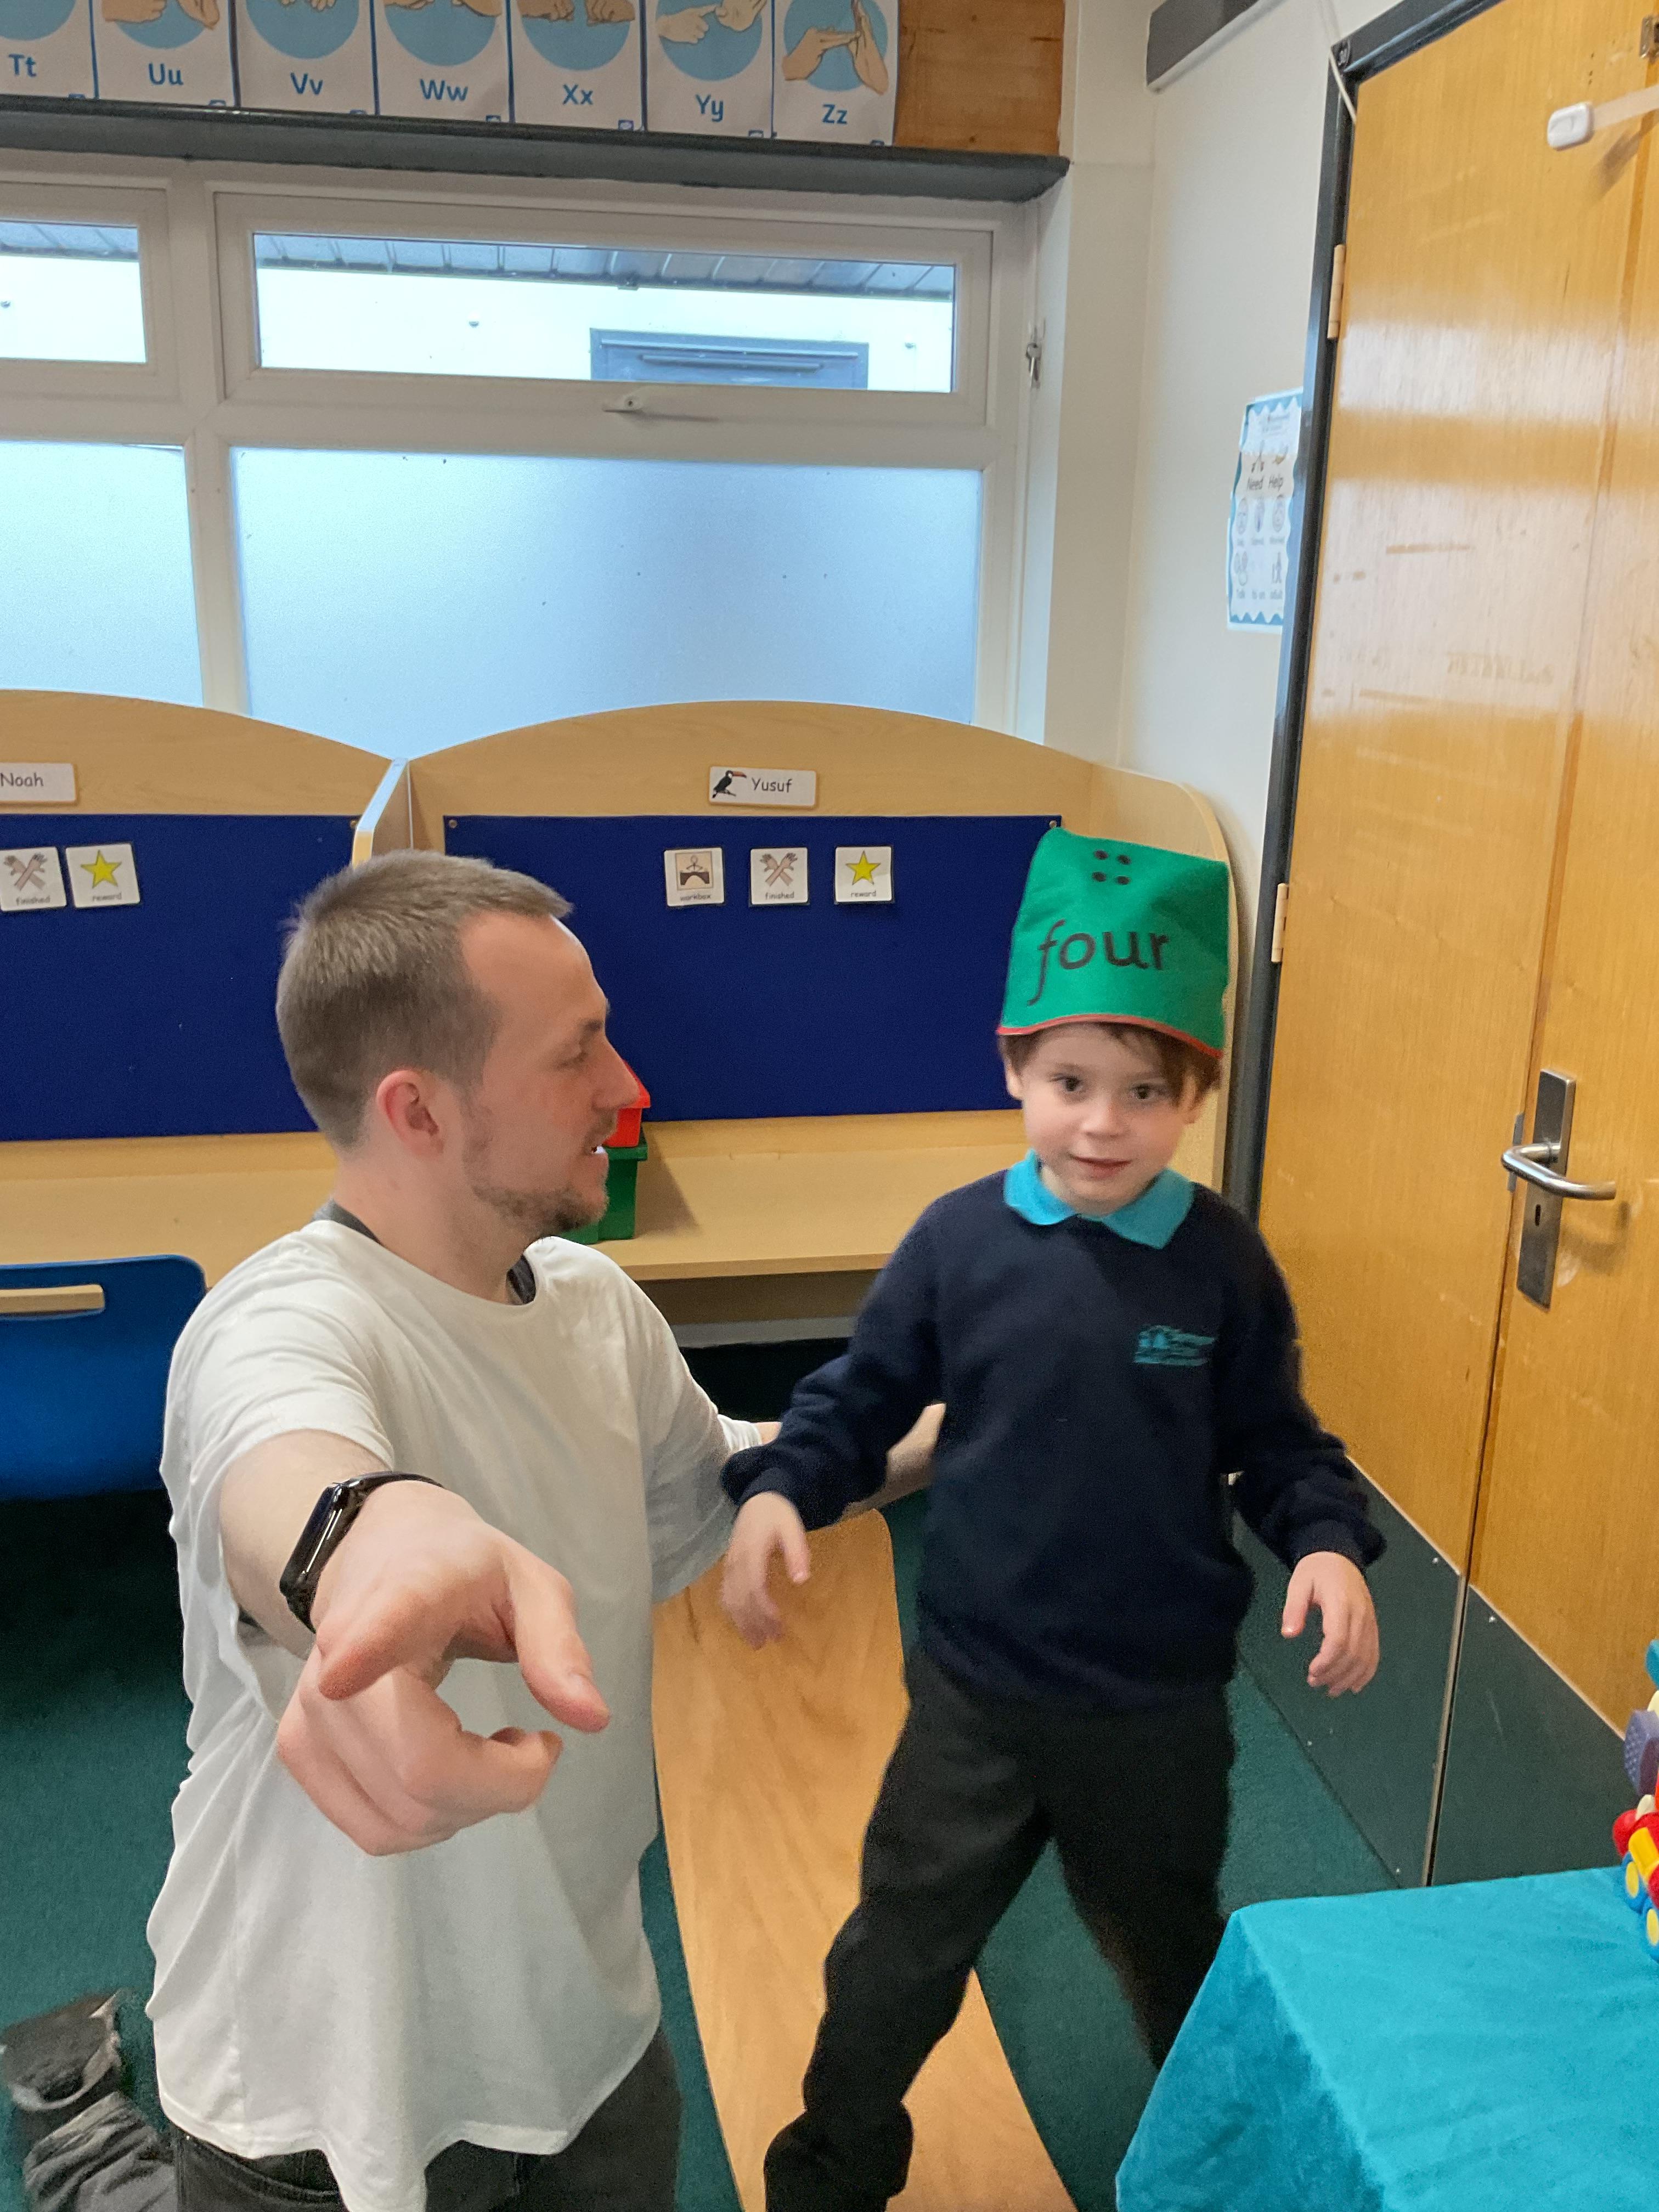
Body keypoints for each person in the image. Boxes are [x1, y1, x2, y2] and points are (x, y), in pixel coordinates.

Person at [719, 825, 1385, 2212]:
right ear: (1014, 1066)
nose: (1100, 1123)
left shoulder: (1223, 1264)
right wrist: (784, 1485)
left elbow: (1277, 1441)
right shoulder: (957, 1243)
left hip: (1154, 1710)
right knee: (896, 1957)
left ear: (1194, 1096)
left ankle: (1223, 2173)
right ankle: (831, 2173)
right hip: (978, 1693)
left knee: (1171, 1957)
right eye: (1070, 1082)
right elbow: (861, 1392)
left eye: (1144, 1091)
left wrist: (1326, 1543)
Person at [146, 851, 776, 2212]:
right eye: (578, 1052)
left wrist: (975, 1419)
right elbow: (291, 1475)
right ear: (418, 1110)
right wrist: (369, 1551)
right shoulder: (276, 1321)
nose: (626, 1086)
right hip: (329, 2105)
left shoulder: (594, 1304)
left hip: (588, 2037)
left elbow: (720, 1472)